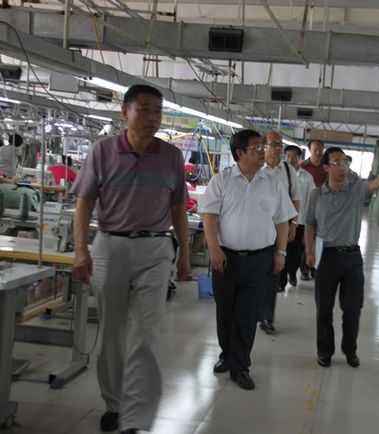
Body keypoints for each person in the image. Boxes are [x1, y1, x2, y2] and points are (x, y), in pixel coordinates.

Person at [71, 84, 191, 434]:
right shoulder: (102, 151)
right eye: (144, 109)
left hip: (156, 250)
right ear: (125, 111)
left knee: (146, 334)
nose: (153, 117)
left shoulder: (171, 156)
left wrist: (184, 252)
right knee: (111, 332)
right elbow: (84, 204)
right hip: (111, 247)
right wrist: (80, 250)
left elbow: (178, 209)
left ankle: (136, 416)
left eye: (158, 111)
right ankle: (114, 403)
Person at [199, 129, 296, 390]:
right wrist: (214, 250)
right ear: (240, 152)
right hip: (226, 259)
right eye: (257, 147)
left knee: (247, 314)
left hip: (260, 260)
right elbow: (209, 216)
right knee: (225, 311)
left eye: (263, 147)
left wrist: (281, 252)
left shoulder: (272, 183)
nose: (264, 151)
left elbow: (283, 220)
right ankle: (226, 354)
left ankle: (240, 366)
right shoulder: (221, 181)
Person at [304, 147, 379, 368]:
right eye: (337, 162)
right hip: (326, 258)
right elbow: (310, 224)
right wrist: (310, 251)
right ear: (326, 167)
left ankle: (350, 350)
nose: (343, 166)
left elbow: (375, 184)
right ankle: (325, 351)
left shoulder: (356, 190)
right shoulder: (316, 195)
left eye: (346, 161)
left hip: (352, 258)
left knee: (352, 310)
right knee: (324, 310)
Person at [259, 131, 300, 334]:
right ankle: (252, 311)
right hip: (256, 229)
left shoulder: (289, 171)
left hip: (278, 229)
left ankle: (267, 317)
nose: (278, 148)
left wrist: (294, 223)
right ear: (263, 146)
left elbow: (296, 198)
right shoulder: (256, 167)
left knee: (273, 273)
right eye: (273, 144)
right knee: (254, 274)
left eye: (280, 144)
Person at [284, 145, 316, 283]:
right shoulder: (279, 174)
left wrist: (310, 219)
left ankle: (292, 273)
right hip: (281, 220)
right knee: (281, 249)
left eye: (294, 156)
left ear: (300, 158)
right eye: (288, 156)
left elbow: (311, 198)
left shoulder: (307, 177)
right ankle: (281, 280)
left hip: (300, 220)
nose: (290, 159)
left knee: (296, 250)